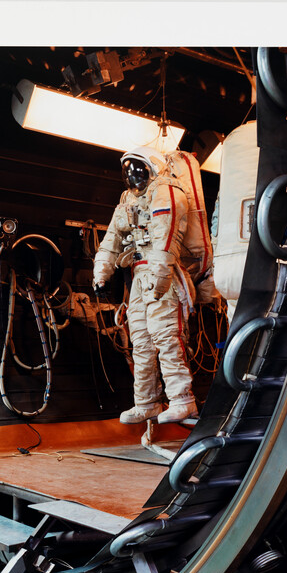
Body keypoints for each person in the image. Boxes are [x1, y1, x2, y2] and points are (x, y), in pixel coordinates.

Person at [93, 146, 198, 424]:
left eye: (136, 169)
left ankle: (182, 400)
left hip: (162, 272)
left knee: (166, 335)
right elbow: (111, 239)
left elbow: (167, 237)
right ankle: (147, 402)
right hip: (139, 276)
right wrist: (101, 273)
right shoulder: (128, 199)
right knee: (140, 340)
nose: (131, 175)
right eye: (127, 170)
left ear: (152, 167)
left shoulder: (167, 190)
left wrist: (161, 277)